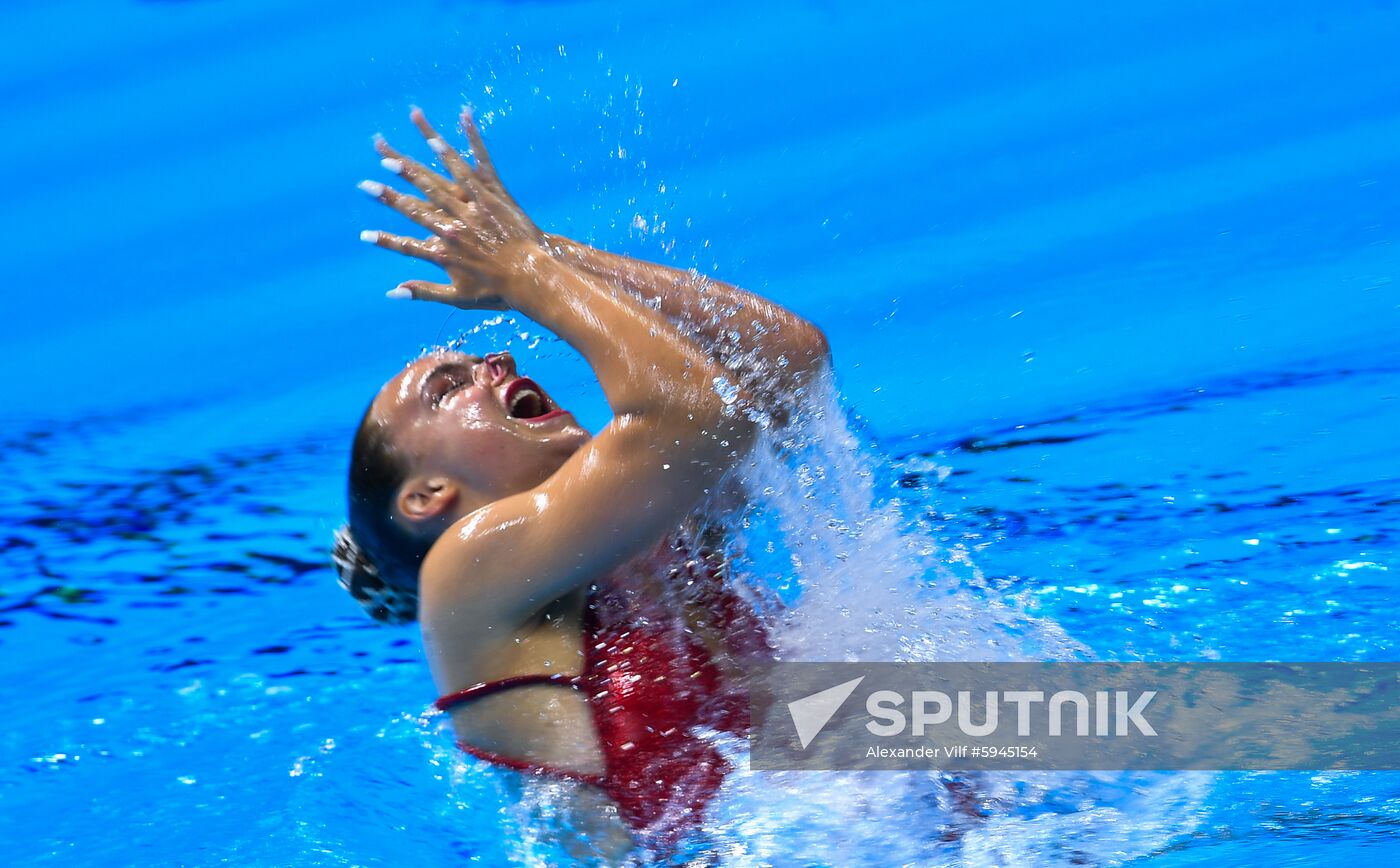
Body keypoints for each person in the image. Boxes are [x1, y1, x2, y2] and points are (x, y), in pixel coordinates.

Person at [331, 107, 830, 850]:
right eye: (449, 388)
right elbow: (693, 412)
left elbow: (788, 366)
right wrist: (529, 275)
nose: (498, 362)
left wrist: (541, 253)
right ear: (429, 497)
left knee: (1054, 719)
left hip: (827, 776)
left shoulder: (650, 531)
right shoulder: (466, 575)